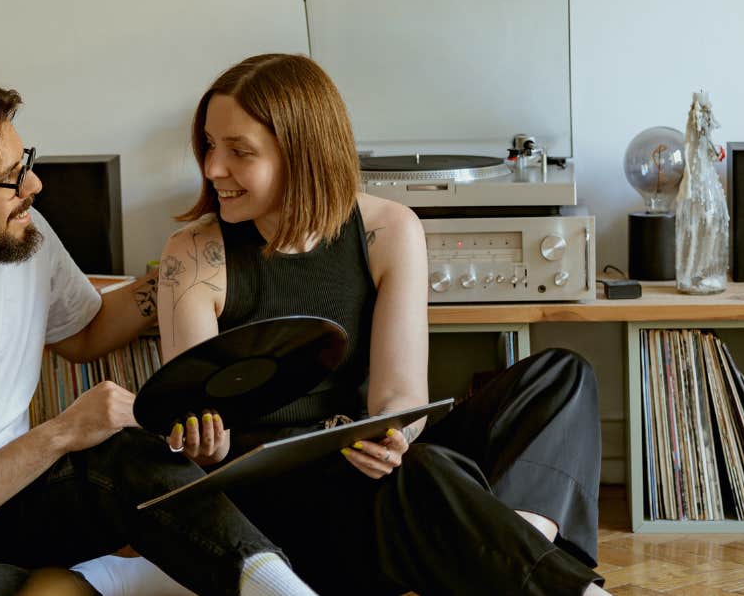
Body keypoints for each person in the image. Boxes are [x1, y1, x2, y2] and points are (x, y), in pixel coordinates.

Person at [0, 73, 317, 596]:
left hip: (5, 506)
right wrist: (59, 433)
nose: (33, 186)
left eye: (26, 163)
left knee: (127, 455)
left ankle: (272, 584)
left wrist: (178, 274)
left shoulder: (24, 235)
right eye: (11, 177)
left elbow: (84, 331)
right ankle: (108, 582)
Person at [157, 53, 611, 596]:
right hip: (277, 512)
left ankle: (514, 548)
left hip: (370, 465)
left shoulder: (390, 228)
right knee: (423, 475)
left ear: (302, 153)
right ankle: (546, 580)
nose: (211, 169)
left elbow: (399, 394)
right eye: (209, 145)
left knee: (563, 374)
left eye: (239, 152)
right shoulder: (194, 256)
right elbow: (201, 432)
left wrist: (395, 433)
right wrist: (204, 444)